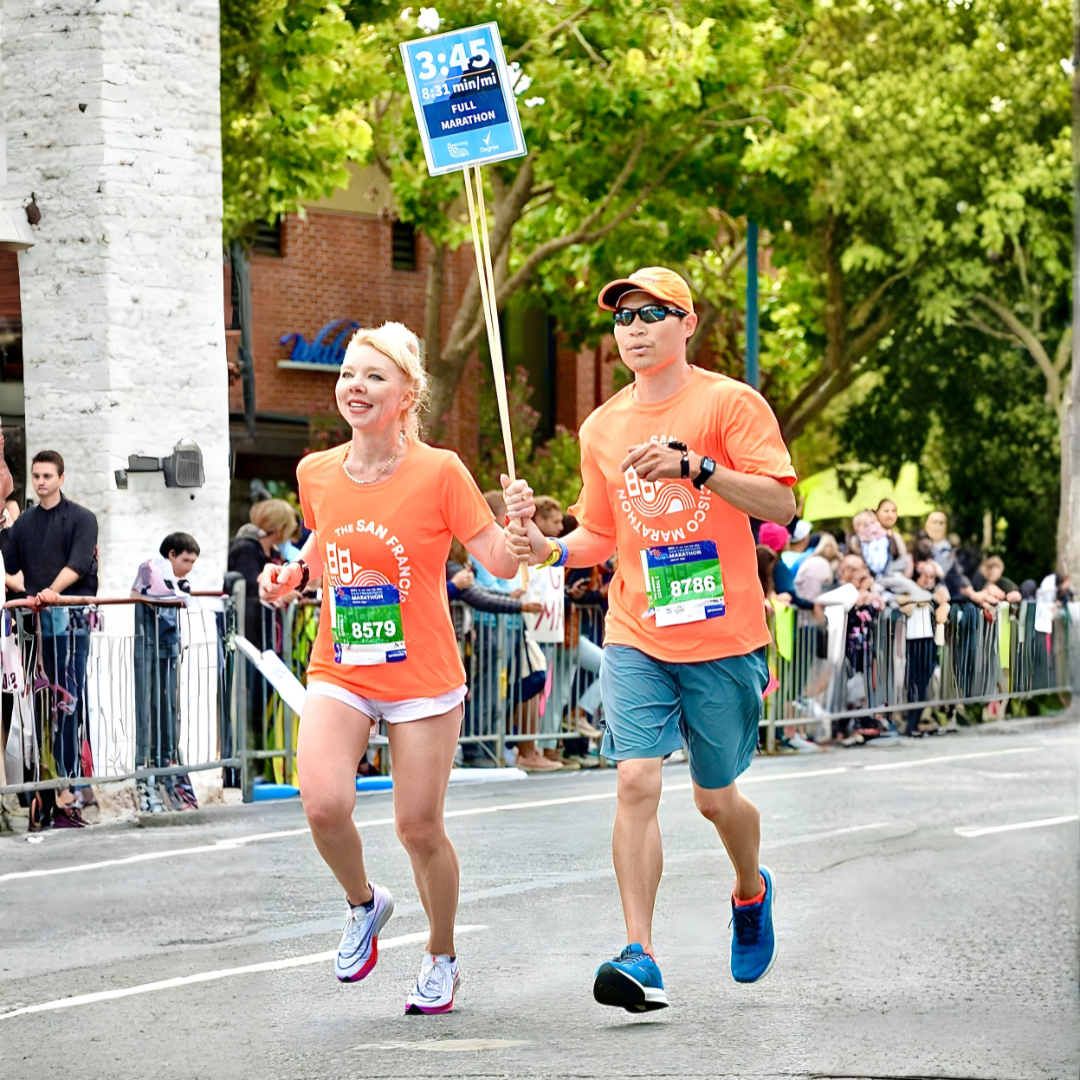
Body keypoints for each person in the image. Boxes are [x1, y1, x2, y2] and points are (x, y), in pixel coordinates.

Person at [506, 267, 796, 1009]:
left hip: (725, 634)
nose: (633, 329)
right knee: (635, 779)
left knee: (714, 798)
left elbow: (780, 503)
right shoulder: (602, 427)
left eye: (651, 315)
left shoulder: (728, 403)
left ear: (686, 324)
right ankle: (640, 953)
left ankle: (748, 888)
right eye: (622, 319)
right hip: (637, 629)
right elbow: (600, 532)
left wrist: (696, 468)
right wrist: (547, 549)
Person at [258, 321, 534, 1015]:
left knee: (418, 828)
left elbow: (499, 562)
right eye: (349, 374)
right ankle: (364, 903)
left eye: (374, 377)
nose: (356, 386)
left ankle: (441, 954)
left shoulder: (440, 471)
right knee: (322, 801)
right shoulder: (315, 471)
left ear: (408, 394)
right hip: (343, 665)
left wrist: (522, 530)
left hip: (422, 677)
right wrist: (293, 577)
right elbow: (325, 542)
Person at [0, 450, 98, 823]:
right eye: (36, 476)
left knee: (68, 703)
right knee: (38, 710)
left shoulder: (82, 518)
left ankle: (69, 788)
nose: (40, 482)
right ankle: (46, 794)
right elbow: (9, 563)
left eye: (47, 476)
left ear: (61, 478)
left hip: (69, 623)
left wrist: (51, 593)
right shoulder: (24, 522)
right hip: (34, 626)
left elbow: (78, 563)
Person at [446, 537, 541, 766]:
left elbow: (480, 592)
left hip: (466, 637)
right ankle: (475, 748)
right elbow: (479, 598)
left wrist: (509, 598)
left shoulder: (460, 569)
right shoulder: (453, 568)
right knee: (483, 693)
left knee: (488, 692)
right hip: (463, 637)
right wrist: (518, 605)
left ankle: (482, 746)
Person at [130, 532, 201, 812]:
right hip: (148, 646)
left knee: (169, 710)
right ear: (171, 555)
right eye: (186, 560)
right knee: (147, 712)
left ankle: (167, 772)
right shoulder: (151, 568)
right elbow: (158, 595)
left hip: (168, 647)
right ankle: (147, 775)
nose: (190, 567)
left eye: (193, 561)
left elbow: (181, 600)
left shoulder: (176, 578)